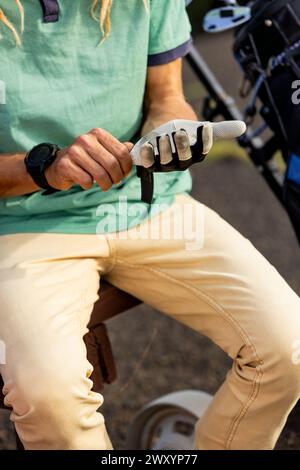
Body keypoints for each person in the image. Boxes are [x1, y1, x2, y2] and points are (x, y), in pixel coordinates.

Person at [0, 0, 299, 451]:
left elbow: (167, 96)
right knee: (49, 395)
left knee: (289, 351)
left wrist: (171, 130)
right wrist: (45, 167)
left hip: (148, 206)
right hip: (26, 224)